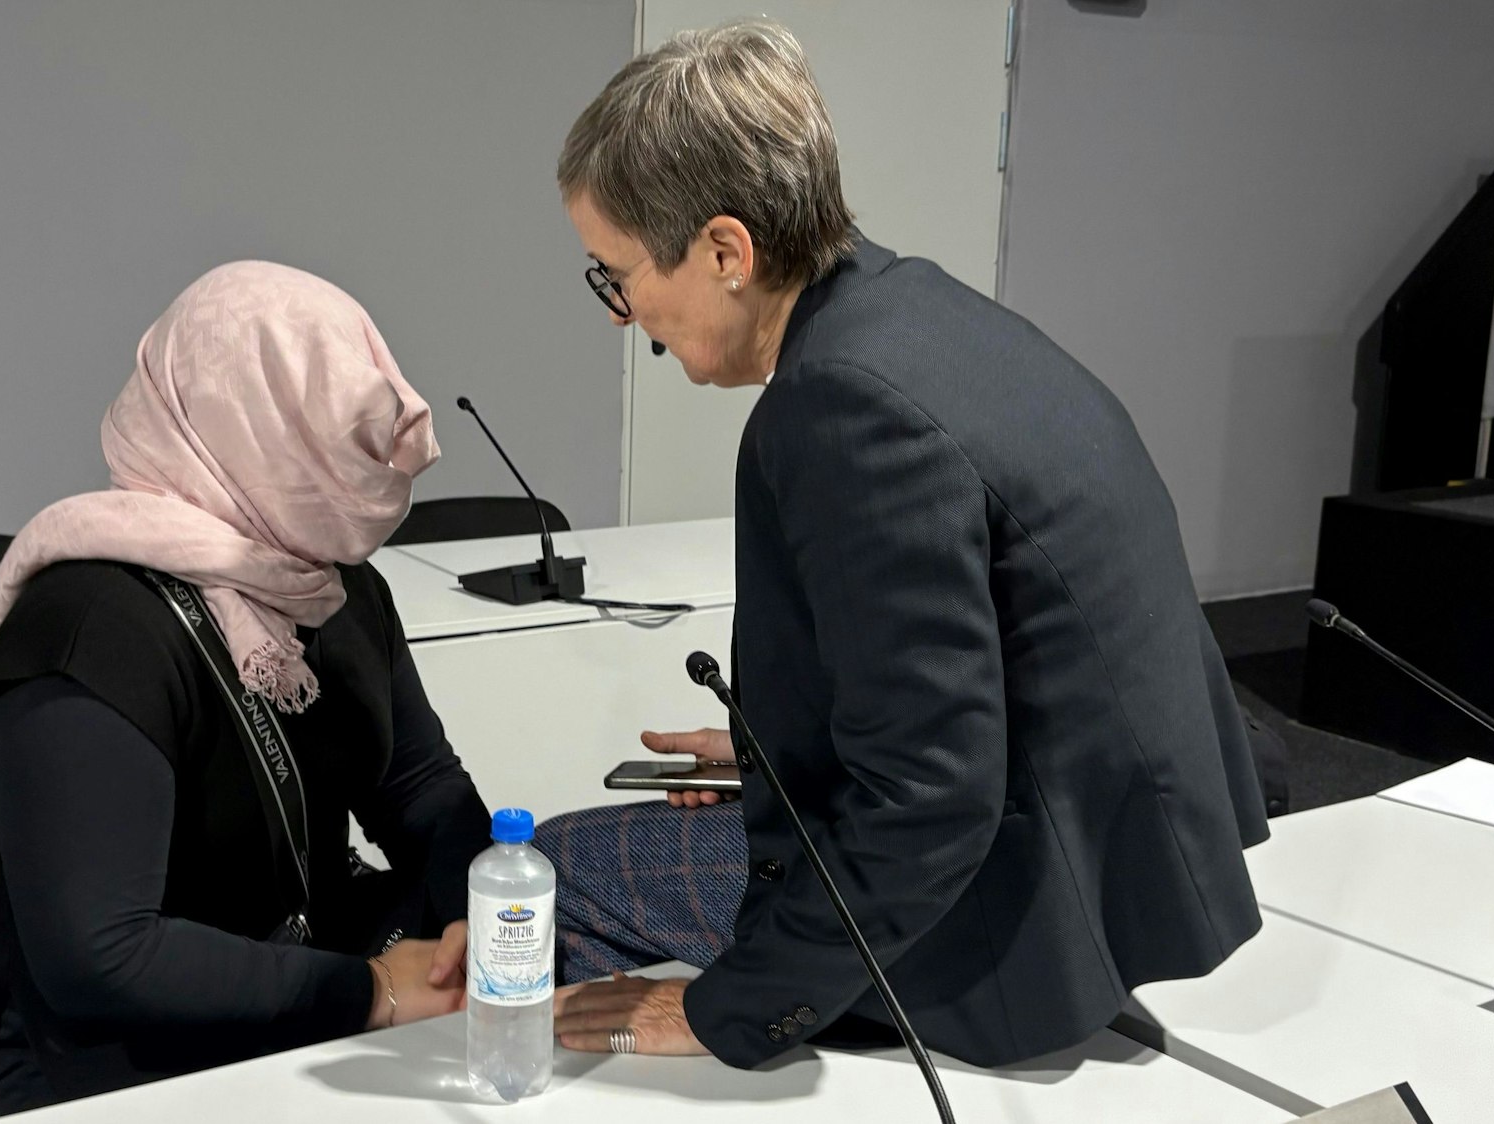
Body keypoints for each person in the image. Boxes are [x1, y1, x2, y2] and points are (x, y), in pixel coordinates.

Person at [542, 20, 1270, 1069]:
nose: (621, 314)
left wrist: (724, 1012)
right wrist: (783, 745)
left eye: (614, 274)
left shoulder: (838, 408)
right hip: (1119, 860)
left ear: (722, 251)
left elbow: (929, 793)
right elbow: (992, 651)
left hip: (1012, 925)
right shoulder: (926, 314)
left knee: (555, 866)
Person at [0, 262, 490, 1119]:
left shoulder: (331, 585)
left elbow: (420, 787)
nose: (368, 457)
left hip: (304, 991)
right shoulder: (87, 627)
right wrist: (373, 990)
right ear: (240, 423)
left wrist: (468, 923)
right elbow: (101, 960)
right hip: (108, 1060)